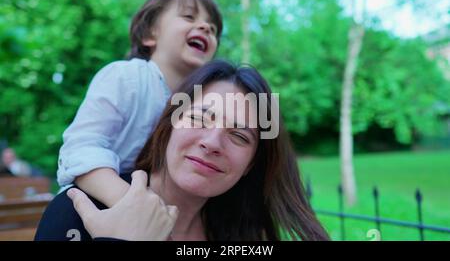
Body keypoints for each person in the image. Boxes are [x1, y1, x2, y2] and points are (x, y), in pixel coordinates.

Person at [35, 60, 329, 241]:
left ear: (251, 164)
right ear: (168, 126)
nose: (212, 143)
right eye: (199, 118)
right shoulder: (79, 212)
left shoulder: (241, 234)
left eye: (239, 135)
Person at [56, 0, 223, 210]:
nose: (205, 27)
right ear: (149, 35)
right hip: (88, 207)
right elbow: (81, 147)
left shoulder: (204, 106)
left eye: (212, 29)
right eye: (188, 17)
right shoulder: (126, 77)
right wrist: (131, 204)